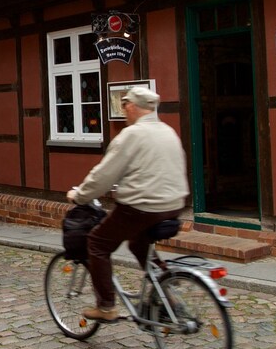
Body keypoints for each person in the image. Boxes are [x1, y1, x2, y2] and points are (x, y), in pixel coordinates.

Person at [66, 86, 189, 322]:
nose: (123, 111)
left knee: (97, 243)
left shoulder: (131, 135)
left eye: (124, 106)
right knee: (138, 244)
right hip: (173, 205)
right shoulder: (168, 132)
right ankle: (168, 294)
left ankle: (106, 307)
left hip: (142, 208)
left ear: (132, 106)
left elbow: (103, 175)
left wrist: (80, 195)